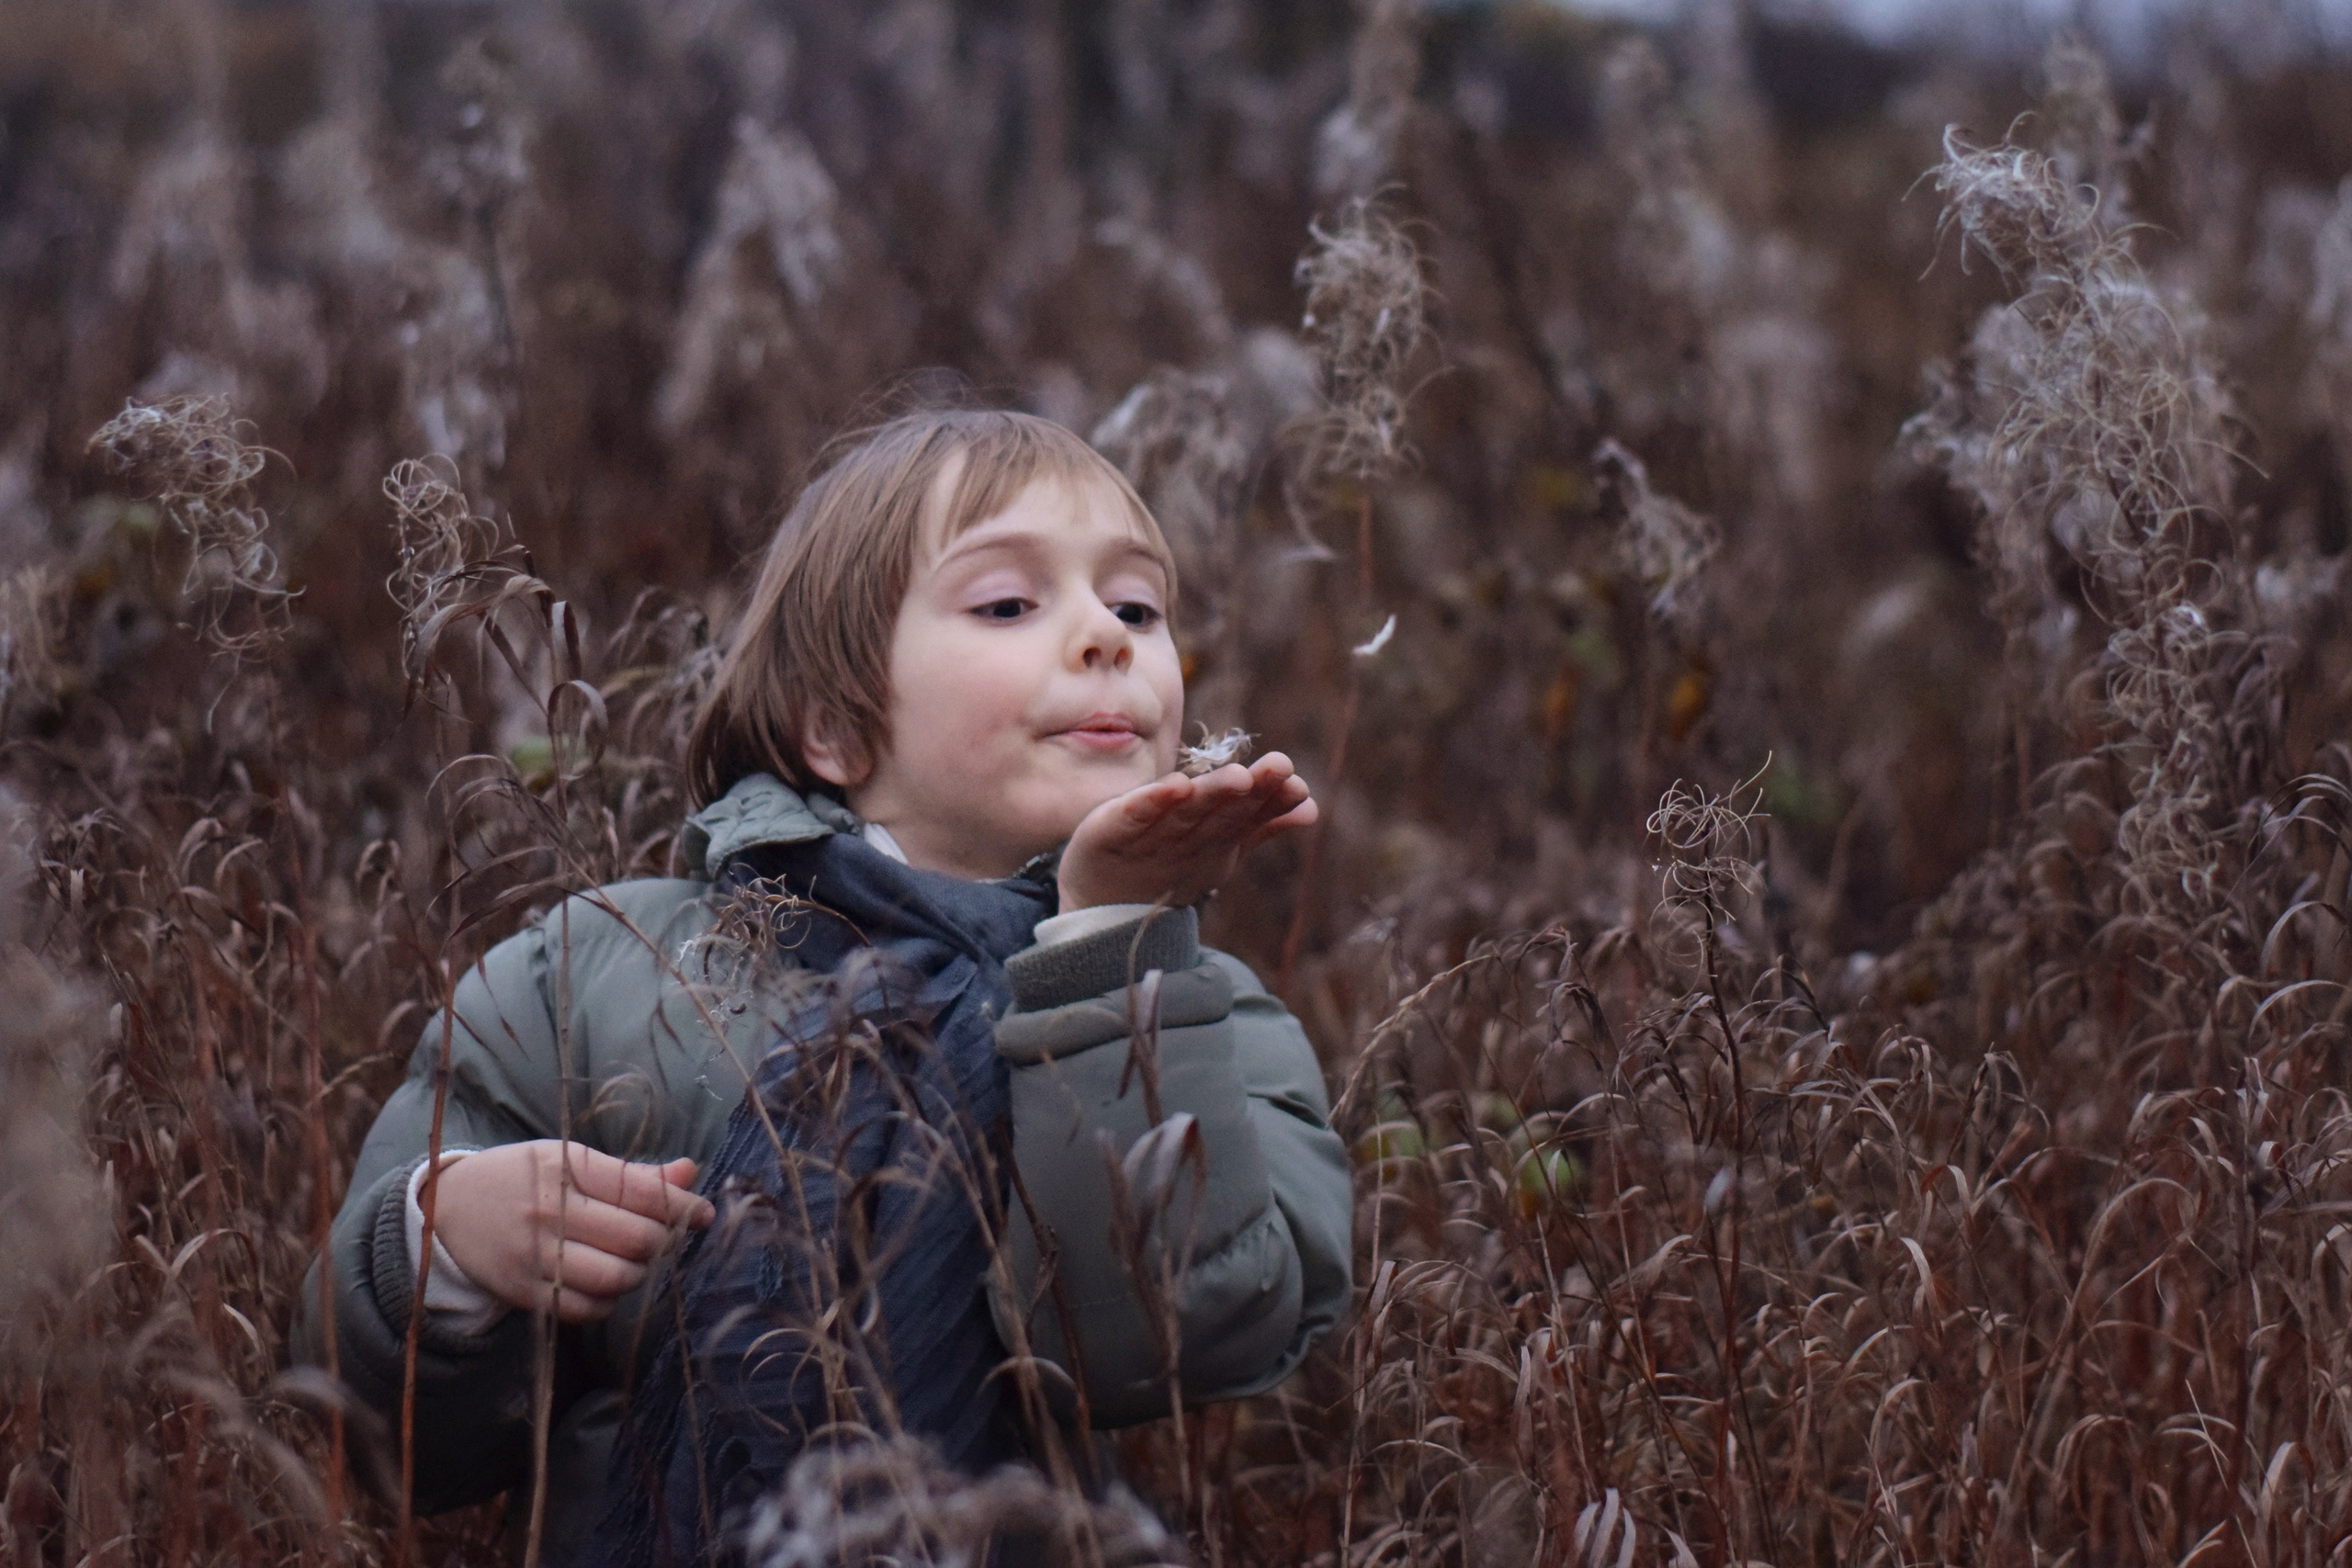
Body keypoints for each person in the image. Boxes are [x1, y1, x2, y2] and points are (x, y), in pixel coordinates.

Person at [296, 408, 1354, 1562]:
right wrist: (441, 1246)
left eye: (1137, 607)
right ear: (832, 726)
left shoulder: (1197, 1000)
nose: (1104, 634)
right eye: (1008, 603)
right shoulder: (602, 973)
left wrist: (1107, 947)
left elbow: (1177, 1339)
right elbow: (392, 1447)